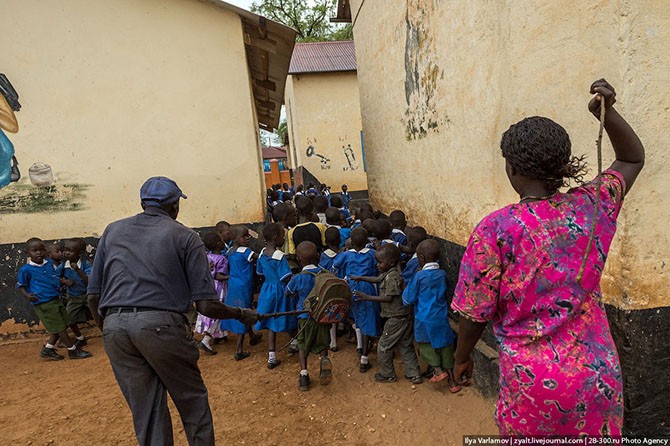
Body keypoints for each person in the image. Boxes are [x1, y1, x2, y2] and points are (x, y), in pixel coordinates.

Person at [451, 80, 644, 436]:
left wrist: (462, 358)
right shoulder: (592, 206)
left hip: (533, 388)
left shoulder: (494, 230)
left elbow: (473, 314)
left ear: (512, 170)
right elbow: (632, 158)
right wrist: (607, 114)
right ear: (562, 166)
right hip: (597, 378)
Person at [87, 176, 258, 446]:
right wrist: (241, 314)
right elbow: (206, 305)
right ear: (175, 206)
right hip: (161, 326)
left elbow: (93, 296)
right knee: (192, 402)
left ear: (142, 203)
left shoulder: (113, 231)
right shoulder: (185, 236)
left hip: (114, 328)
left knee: (147, 411)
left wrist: (112, 328)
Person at [352, 244, 422, 384]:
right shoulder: (390, 273)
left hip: (395, 319)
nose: (377, 265)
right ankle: (414, 374)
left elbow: (388, 298)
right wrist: (361, 278)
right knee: (405, 345)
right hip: (405, 317)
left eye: (380, 262)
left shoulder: (392, 277)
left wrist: (367, 297)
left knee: (384, 346)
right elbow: (377, 280)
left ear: (390, 262)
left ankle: (387, 374)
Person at [17, 238, 92, 360]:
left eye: (41, 250)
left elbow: (55, 277)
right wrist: (27, 295)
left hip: (55, 299)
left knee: (64, 323)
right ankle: (72, 350)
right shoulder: (26, 270)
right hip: (43, 302)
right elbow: (21, 285)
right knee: (60, 327)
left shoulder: (48, 263)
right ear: (27, 253)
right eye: (34, 250)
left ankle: (48, 349)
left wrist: (62, 282)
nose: (39, 253)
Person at [402, 239, 459, 389]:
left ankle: (437, 370)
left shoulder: (419, 277)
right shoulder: (442, 274)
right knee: (446, 346)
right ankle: (452, 382)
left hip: (423, 318)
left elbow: (408, 299)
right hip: (440, 316)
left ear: (421, 257)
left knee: (425, 346)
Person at [286, 241, 333, 391]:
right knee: (323, 343)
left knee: (302, 345)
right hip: (323, 316)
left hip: (305, 317)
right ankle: (324, 360)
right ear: (318, 256)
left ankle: (304, 375)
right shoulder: (326, 274)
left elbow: (288, 292)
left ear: (299, 259)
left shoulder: (298, 278)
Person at [333, 227, 380, 372]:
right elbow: (378, 268)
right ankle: (364, 358)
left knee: (357, 317)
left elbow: (335, 266)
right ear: (367, 241)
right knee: (368, 318)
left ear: (351, 242)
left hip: (350, 287)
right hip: (367, 288)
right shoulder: (372, 254)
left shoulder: (347, 255)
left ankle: (360, 346)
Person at [254, 223, 295, 369]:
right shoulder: (279, 256)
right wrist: (295, 283)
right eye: (283, 237)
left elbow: (260, 273)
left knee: (271, 321)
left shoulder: (261, 253)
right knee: (288, 313)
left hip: (267, 290)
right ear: (277, 238)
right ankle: (295, 342)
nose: (284, 239)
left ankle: (272, 356)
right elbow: (285, 277)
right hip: (280, 290)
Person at [221, 224, 261, 360]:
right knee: (243, 313)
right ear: (236, 238)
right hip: (244, 286)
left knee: (241, 310)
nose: (247, 238)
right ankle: (238, 350)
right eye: (244, 236)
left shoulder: (230, 251)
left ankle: (252, 335)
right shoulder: (246, 251)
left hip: (233, 285)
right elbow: (258, 257)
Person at [195, 232, 229, 354]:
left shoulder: (206, 256)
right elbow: (219, 276)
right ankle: (206, 339)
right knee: (217, 312)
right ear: (219, 244)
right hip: (218, 289)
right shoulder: (222, 259)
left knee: (209, 312)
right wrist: (231, 277)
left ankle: (220, 335)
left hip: (207, 287)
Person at [60, 238, 92, 347]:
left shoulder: (86, 264)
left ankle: (107, 334)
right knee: (69, 319)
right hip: (73, 297)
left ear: (80, 253)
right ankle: (80, 337)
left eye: (70, 250)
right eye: (65, 250)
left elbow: (88, 281)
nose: (66, 252)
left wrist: (78, 270)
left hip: (88, 295)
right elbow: (54, 276)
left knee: (99, 315)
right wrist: (64, 281)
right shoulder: (64, 265)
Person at [319, 226, 343, 352]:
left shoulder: (323, 256)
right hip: (342, 286)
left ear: (325, 241)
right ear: (340, 240)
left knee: (331, 313)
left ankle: (333, 341)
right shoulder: (343, 255)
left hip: (328, 288)